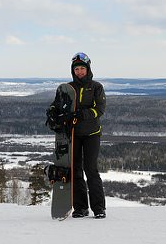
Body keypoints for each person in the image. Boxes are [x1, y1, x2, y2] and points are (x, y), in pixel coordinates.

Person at [47, 52, 106, 219]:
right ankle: (80, 207)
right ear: (73, 71)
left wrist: (81, 114)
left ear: (88, 69)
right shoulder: (68, 88)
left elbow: (99, 110)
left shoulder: (96, 87)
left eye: (82, 68)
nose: (80, 71)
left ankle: (99, 208)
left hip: (92, 134)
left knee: (91, 169)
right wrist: (52, 112)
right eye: (77, 69)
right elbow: (57, 104)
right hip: (73, 134)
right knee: (76, 171)